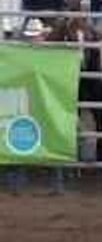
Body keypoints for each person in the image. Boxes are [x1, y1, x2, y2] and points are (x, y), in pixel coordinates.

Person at [7, 18, 66, 195]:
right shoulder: (24, 54)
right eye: (31, 37)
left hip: (42, 103)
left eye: (35, 36)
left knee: (46, 139)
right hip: (28, 102)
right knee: (19, 138)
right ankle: (18, 182)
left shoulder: (48, 55)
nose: (33, 40)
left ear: (42, 36)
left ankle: (56, 183)